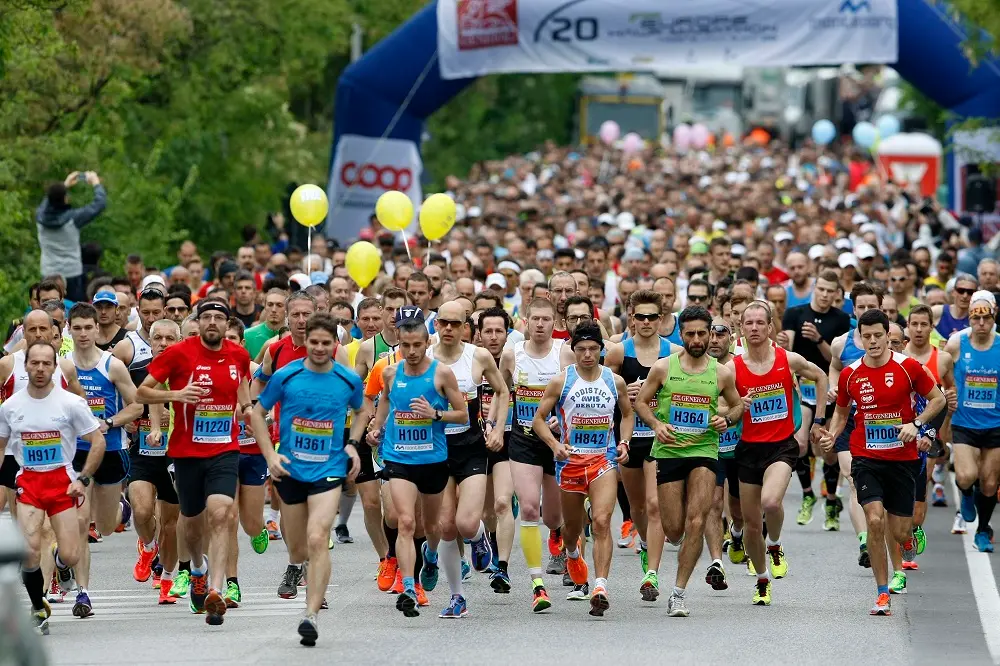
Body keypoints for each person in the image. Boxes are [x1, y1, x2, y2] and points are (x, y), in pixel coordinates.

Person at [819, 308, 945, 615]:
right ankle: (881, 592)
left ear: (888, 335)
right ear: (860, 338)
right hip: (866, 456)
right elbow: (843, 412)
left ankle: (906, 540)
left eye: (878, 335)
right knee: (874, 520)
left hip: (902, 458)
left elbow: (938, 399)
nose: (873, 341)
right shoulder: (851, 373)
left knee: (900, 530)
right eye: (867, 336)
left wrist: (916, 425)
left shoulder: (908, 367)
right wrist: (833, 435)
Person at [136, 298, 252, 626]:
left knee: (220, 515)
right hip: (186, 453)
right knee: (193, 522)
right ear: (198, 322)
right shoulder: (178, 353)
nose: (213, 322)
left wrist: (251, 414)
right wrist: (176, 394)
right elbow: (141, 393)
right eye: (207, 317)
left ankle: (215, 589)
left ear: (227, 324)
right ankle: (198, 570)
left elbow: (244, 399)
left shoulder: (239, 356)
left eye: (219, 317)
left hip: (224, 451)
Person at [252, 312, 365, 646]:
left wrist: (353, 446)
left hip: (328, 469)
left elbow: (362, 411)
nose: (318, 348)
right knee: (299, 546)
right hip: (291, 469)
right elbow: (257, 413)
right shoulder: (287, 375)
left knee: (318, 538)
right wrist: (271, 456)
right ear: (306, 343)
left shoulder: (348, 380)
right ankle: (300, 572)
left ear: (335, 344)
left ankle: (311, 614)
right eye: (313, 342)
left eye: (325, 343)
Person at [635, 306, 744, 617]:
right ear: (680, 334)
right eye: (690, 333)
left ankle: (678, 592)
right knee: (673, 529)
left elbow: (737, 407)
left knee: (698, 519)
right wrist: (657, 425)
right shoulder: (663, 368)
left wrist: (727, 420)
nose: (696, 339)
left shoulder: (721, 372)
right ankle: (678, 554)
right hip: (669, 452)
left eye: (702, 333)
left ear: (711, 334)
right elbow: (642, 402)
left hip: (704, 452)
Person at [367, 306, 470, 617]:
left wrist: (435, 414)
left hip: (433, 458)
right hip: (398, 456)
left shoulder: (440, 373)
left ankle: (432, 554)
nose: (410, 351)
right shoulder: (389, 372)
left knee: (433, 525)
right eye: (404, 345)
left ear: (427, 343)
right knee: (406, 522)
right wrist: (376, 426)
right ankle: (409, 586)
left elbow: (462, 413)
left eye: (416, 345)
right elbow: (384, 400)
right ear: (397, 343)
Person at [2, 342, 106, 635]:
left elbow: (97, 441)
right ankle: (37, 607)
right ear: (26, 366)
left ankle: (62, 567)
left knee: (71, 555)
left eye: (46, 363)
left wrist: (83, 478)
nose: (40, 369)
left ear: (55, 366)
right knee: (31, 551)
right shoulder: (10, 407)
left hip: (63, 483)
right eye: (34, 363)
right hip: (29, 483)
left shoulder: (71, 403)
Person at [732, 301, 828, 606]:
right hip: (747, 449)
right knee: (749, 524)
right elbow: (717, 404)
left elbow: (822, 377)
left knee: (770, 503)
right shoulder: (731, 369)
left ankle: (774, 543)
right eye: (749, 323)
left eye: (761, 323)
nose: (755, 328)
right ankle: (762, 580)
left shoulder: (788, 360)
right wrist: (734, 408)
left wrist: (820, 420)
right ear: (742, 328)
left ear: (771, 326)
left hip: (781, 446)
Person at [532, 322, 631, 617]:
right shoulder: (561, 382)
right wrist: (554, 445)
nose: (587, 354)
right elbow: (538, 420)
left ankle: (600, 586)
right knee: (572, 529)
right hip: (570, 463)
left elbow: (627, 414)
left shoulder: (615, 381)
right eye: (581, 349)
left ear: (601, 350)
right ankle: (573, 554)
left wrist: (624, 441)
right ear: (573, 350)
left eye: (593, 349)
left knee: (601, 522)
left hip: (603, 460)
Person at [420, 301, 508, 619]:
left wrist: (496, 426)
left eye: (455, 324)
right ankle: (458, 597)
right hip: (435, 450)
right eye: (443, 322)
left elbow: (502, 391)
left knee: (466, 523)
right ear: (436, 324)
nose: (448, 329)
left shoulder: (478, 355)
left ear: (465, 328)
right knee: (445, 527)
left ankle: (479, 536)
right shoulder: (424, 355)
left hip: (471, 447)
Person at [67, 303, 143, 618]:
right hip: (74, 454)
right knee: (82, 523)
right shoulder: (62, 367)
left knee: (108, 526)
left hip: (110, 451)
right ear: (68, 331)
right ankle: (83, 592)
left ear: (97, 329)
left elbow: (137, 406)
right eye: (78, 328)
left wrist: (109, 423)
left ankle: (119, 508)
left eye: (89, 328)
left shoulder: (112, 366)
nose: (84, 334)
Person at [603, 289, 672, 598]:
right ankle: (644, 544)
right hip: (630, 436)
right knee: (638, 506)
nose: (646, 322)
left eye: (652, 317)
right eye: (640, 316)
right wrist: (626, 392)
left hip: (660, 436)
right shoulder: (619, 352)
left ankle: (653, 574)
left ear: (661, 319)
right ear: (631, 318)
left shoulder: (673, 352)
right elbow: (606, 392)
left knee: (656, 505)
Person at [499, 298, 566, 611]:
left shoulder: (563, 353)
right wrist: (497, 427)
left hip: (554, 441)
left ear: (554, 322)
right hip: (524, 439)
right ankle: (537, 584)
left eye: (546, 319)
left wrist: (560, 417)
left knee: (553, 517)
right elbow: (502, 393)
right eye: (535, 319)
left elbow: (571, 393)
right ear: (525, 321)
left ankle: (566, 543)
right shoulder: (513, 355)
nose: (540, 324)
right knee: (527, 508)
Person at [781, 270, 850, 530]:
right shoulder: (795, 313)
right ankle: (808, 494)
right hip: (802, 386)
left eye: (829, 291)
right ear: (814, 288)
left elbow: (836, 358)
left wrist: (819, 339)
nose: (824, 295)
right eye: (820, 289)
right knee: (799, 443)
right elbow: (787, 348)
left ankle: (831, 500)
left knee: (827, 449)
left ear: (836, 294)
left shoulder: (841, 319)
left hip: (828, 387)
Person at [125, 319, 182, 604]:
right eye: (157, 338)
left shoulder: (187, 374)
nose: (162, 343)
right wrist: (127, 423)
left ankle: (168, 581)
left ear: (179, 341)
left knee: (171, 525)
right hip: (143, 453)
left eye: (169, 338)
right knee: (142, 510)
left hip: (177, 456)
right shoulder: (136, 372)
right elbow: (123, 404)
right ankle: (148, 547)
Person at [944, 290, 1000, 553]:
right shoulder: (957, 343)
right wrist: (947, 395)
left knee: (989, 484)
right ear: (969, 318)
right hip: (965, 422)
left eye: (985, 318)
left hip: (996, 424)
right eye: (975, 318)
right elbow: (942, 370)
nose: (980, 324)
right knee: (967, 476)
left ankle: (982, 530)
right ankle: (965, 494)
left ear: (993, 316)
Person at [476, 307, 516, 593]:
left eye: (498, 331)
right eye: (487, 331)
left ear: (507, 333)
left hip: (509, 438)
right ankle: (486, 541)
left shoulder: (517, 360)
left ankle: (501, 568)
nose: (493, 336)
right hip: (474, 441)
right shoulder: (471, 361)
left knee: (503, 503)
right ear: (479, 333)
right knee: (485, 510)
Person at [36, 171, 107, 302]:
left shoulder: (40, 217)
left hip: (48, 271)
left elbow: (48, 201)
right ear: (65, 198)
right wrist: (96, 183)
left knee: (49, 307)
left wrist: (64, 185)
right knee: (74, 310)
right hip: (72, 272)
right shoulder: (73, 219)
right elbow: (99, 204)